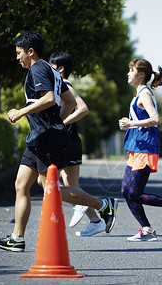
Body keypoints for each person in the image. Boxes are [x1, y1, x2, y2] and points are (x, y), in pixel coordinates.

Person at [0, 32, 117, 252]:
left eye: (19, 53)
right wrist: (55, 122)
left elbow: (50, 98)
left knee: (52, 190)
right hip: (39, 137)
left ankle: (103, 205)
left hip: (46, 139)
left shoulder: (38, 68)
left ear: (30, 51)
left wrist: (22, 112)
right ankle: (17, 238)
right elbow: (68, 102)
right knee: (21, 185)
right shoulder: (51, 71)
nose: (17, 58)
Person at [119, 59, 162, 242]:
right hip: (137, 147)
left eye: (131, 70)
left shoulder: (144, 94)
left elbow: (156, 119)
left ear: (141, 74)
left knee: (134, 192)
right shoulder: (139, 94)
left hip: (146, 148)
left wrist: (131, 123)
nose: (128, 73)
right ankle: (147, 229)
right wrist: (129, 124)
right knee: (126, 191)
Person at [49, 51, 106, 236]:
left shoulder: (65, 84)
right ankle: (96, 220)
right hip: (66, 141)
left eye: (51, 66)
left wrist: (62, 123)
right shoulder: (59, 86)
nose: (48, 70)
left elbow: (83, 109)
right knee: (71, 183)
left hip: (69, 141)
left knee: (68, 184)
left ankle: (98, 210)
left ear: (60, 69)